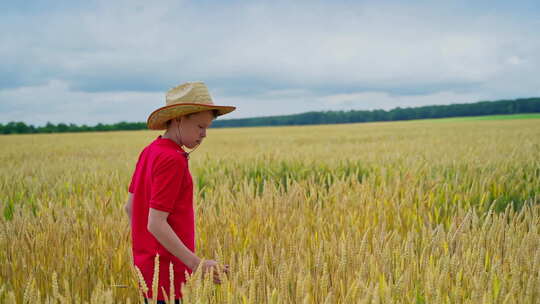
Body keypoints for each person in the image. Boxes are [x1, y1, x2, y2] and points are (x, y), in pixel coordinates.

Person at [124, 81, 235, 303]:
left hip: (148, 271)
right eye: (200, 127)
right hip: (168, 274)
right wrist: (197, 264)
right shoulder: (173, 159)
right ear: (178, 119)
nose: (204, 135)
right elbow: (155, 223)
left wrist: (148, 248)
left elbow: (129, 208)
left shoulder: (150, 151)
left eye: (207, 128)